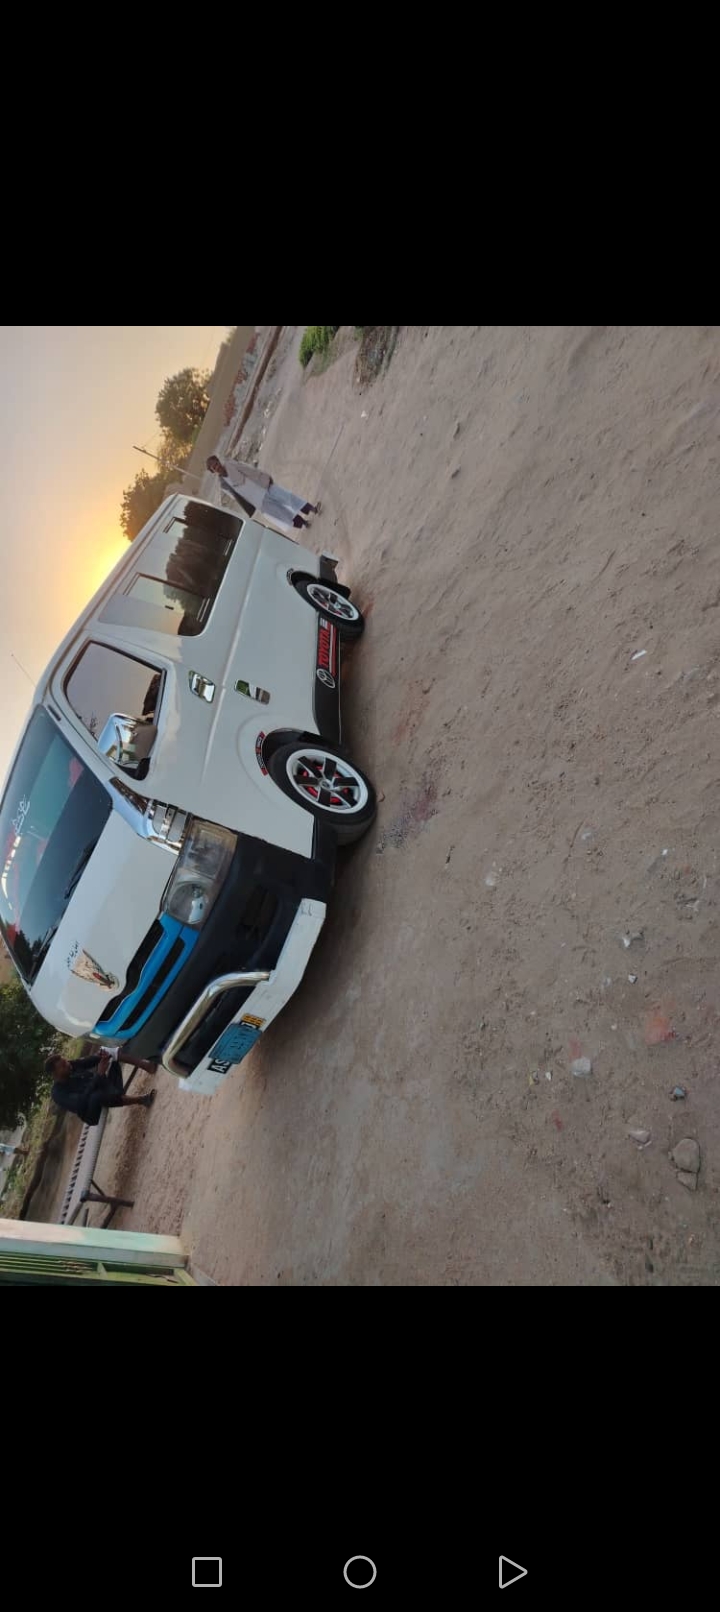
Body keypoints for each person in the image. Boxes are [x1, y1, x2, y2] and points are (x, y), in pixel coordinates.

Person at [206, 455, 320, 536]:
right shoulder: (223, 485)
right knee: (282, 514)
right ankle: (304, 523)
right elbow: (235, 497)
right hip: (259, 502)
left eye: (216, 464)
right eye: (214, 468)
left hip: (263, 486)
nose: (217, 467)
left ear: (218, 461)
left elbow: (249, 469)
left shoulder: (231, 464)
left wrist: (265, 477)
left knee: (288, 497)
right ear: (213, 471)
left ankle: (312, 509)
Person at [45, 1048, 158, 1127]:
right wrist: (98, 1075)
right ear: (55, 1074)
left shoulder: (70, 1065)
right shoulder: (57, 1093)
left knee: (109, 1053)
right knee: (96, 1096)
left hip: (99, 1085)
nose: (68, 1064)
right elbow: (80, 1103)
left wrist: (100, 1055)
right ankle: (140, 1099)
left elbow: (88, 1061)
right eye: (63, 1065)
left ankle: (146, 1065)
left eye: (65, 1061)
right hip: (90, 1112)